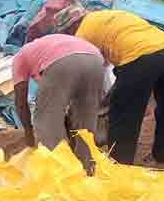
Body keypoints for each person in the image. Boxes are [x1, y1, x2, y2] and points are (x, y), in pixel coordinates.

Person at [72, 9, 164, 166]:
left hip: (140, 58)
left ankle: (119, 166)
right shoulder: (108, 16)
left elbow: (89, 72)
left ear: (72, 26)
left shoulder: (81, 34)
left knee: (123, 115)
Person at [11, 29, 104, 172]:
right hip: (95, 59)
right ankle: (88, 170)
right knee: (86, 122)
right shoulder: (47, 46)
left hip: (62, 61)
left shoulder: (20, 57)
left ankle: (58, 173)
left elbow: (20, 101)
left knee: (47, 121)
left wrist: (29, 133)